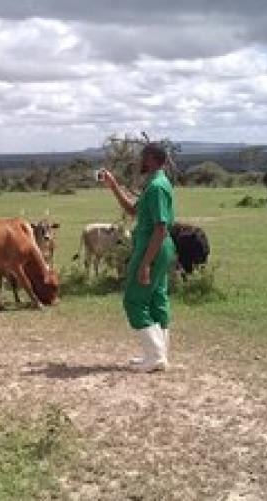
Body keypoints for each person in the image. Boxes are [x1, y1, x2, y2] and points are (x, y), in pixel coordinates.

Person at [99, 143, 175, 372]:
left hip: (152, 247)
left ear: (151, 159)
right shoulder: (155, 183)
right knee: (155, 299)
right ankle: (158, 354)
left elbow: (160, 228)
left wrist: (144, 264)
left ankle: (155, 356)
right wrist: (114, 187)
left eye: (142, 157)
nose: (139, 161)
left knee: (133, 299)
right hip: (158, 247)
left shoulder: (157, 187)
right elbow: (134, 211)